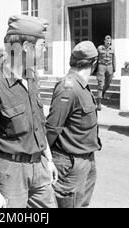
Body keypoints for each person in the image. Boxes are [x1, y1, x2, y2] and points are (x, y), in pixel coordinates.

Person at [0, 15, 58, 208]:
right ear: (27, 47)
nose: (44, 49)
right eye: (41, 44)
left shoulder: (32, 77)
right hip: (10, 172)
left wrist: (49, 159)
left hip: (39, 166)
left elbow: (39, 125)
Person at [46, 41, 102, 208]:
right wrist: (47, 160)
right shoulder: (68, 87)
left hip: (86, 159)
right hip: (70, 164)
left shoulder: (81, 85)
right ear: (94, 63)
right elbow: (51, 128)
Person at [96, 35, 116, 111]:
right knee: (100, 84)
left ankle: (103, 93)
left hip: (110, 67)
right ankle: (99, 103)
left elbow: (114, 59)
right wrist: (94, 68)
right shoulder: (100, 48)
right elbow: (96, 58)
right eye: (107, 40)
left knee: (108, 84)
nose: (108, 42)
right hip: (101, 66)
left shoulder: (112, 49)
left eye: (109, 40)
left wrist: (114, 68)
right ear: (104, 41)